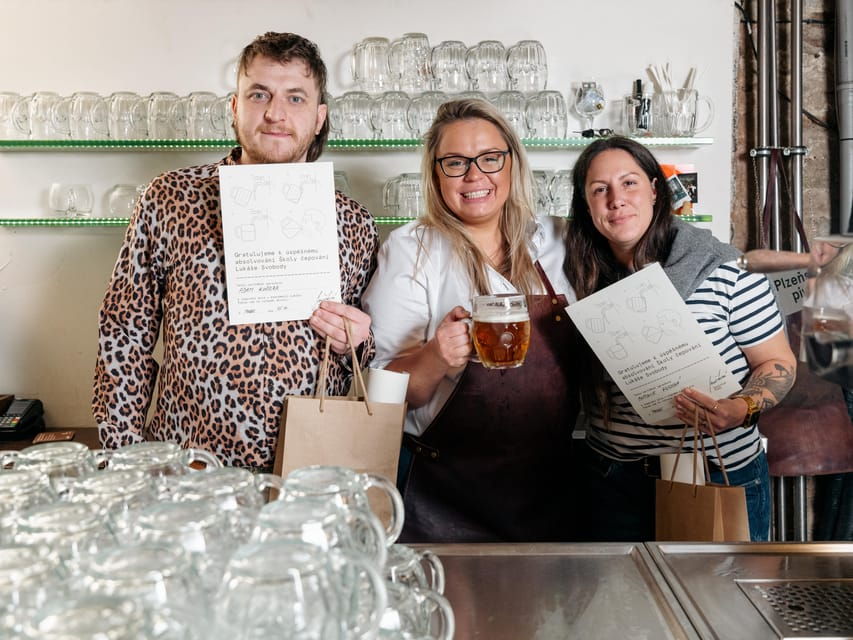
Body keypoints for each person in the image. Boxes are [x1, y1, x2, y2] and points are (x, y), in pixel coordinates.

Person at [93, 32, 379, 470]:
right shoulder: (169, 198)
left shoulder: (354, 222)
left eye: (295, 98)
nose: (275, 113)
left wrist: (358, 341)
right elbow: (123, 335)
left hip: (311, 469)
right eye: (259, 94)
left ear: (320, 117)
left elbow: (369, 354)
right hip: (188, 467)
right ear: (234, 106)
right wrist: (126, 458)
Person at [362, 98, 579, 543]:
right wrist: (434, 356)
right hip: (448, 492)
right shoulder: (411, 250)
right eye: (456, 162)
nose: (474, 175)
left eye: (489, 158)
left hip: (552, 485)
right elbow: (383, 396)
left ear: (512, 163)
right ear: (436, 172)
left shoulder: (559, 239)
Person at [564, 136, 797, 542]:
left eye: (630, 183)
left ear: (655, 189)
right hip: (612, 478)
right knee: (621, 605)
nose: (616, 200)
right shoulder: (578, 276)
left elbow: (778, 363)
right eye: (600, 189)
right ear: (586, 205)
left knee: (722, 602)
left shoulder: (724, 269)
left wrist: (741, 407)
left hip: (717, 474)